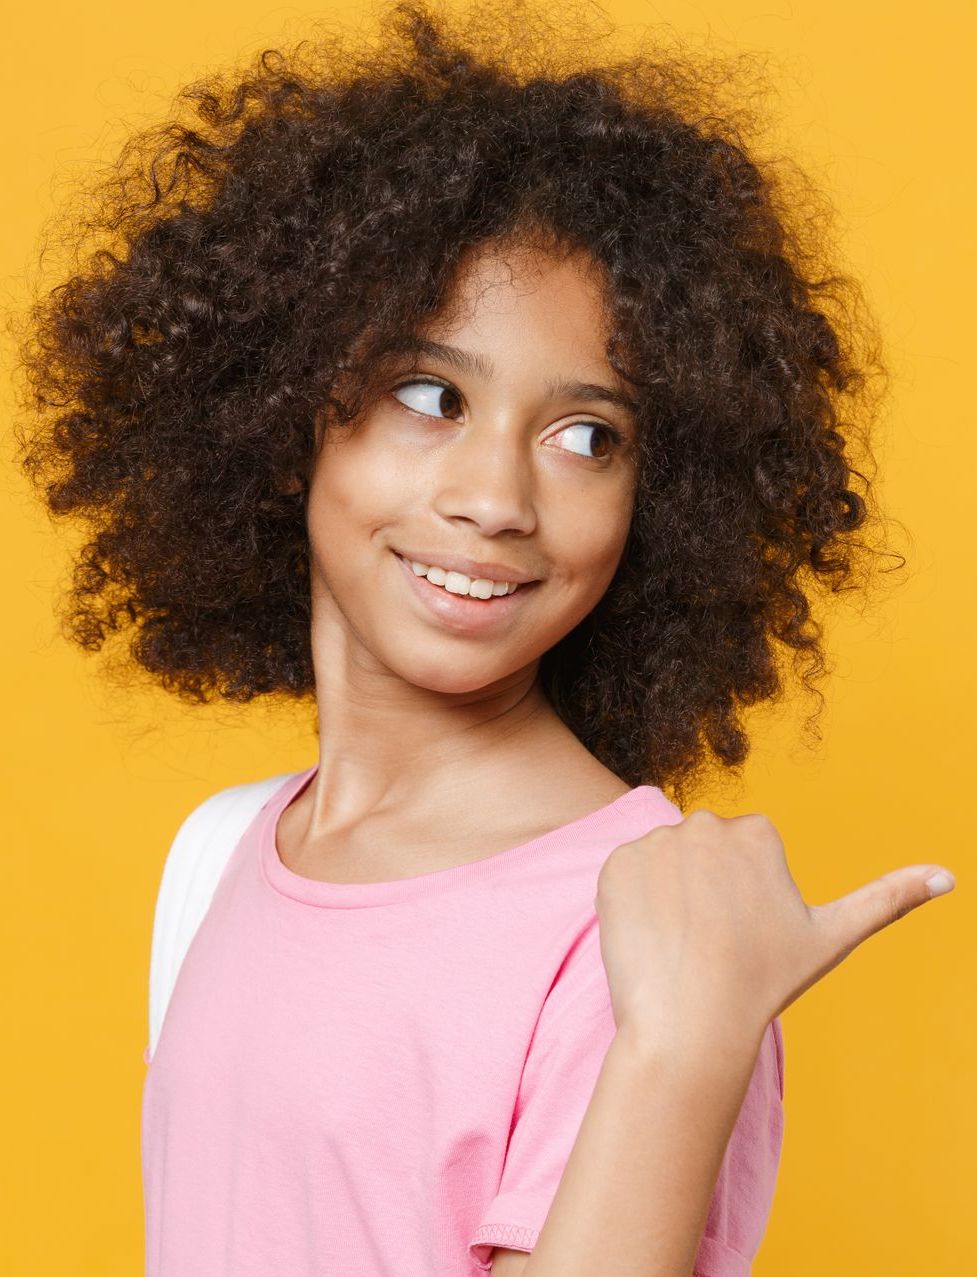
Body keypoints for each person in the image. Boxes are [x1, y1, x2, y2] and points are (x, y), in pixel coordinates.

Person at [11, 1, 955, 1273]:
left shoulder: (644, 933)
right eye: (428, 395)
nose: (498, 498)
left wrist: (681, 1047)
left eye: (586, 436)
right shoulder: (220, 852)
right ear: (283, 409)